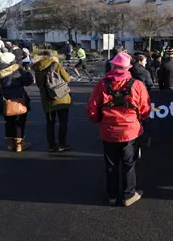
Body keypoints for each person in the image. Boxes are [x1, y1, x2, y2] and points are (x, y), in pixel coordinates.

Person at [87, 52, 152, 207]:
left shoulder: (102, 84)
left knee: (111, 164)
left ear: (114, 65)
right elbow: (145, 108)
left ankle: (112, 195)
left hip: (108, 131)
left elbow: (92, 108)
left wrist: (98, 120)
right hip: (130, 131)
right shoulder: (136, 84)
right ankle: (128, 195)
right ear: (127, 67)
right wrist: (140, 119)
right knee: (129, 163)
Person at [33, 51, 72, 152]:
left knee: (50, 123)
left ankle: (51, 145)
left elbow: (38, 84)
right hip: (61, 97)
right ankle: (62, 144)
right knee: (63, 122)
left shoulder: (37, 68)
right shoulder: (56, 65)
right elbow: (67, 79)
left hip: (47, 100)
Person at [0, 52, 34, 152]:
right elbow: (28, 81)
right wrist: (26, 71)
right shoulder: (16, 70)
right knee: (19, 122)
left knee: (8, 122)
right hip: (18, 99)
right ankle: (19, 145)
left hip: (4, 100)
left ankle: (10, 144)